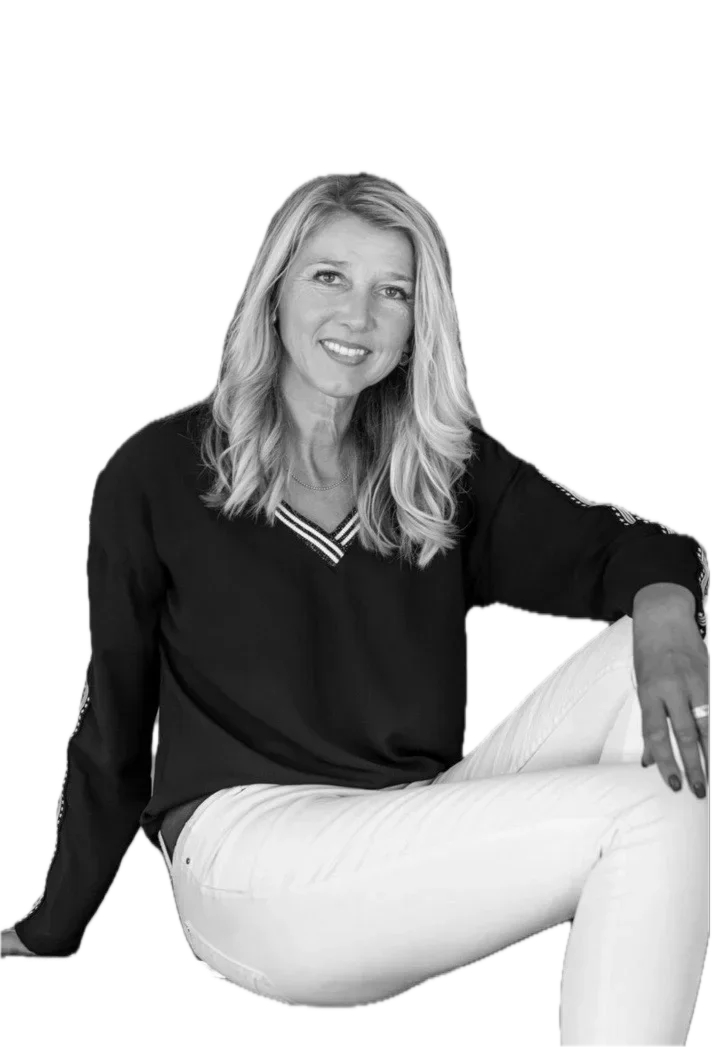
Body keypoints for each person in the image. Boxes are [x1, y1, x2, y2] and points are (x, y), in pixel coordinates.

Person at [2, 173, 709, 1042]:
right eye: (329, 277)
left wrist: (670, 621)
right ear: (276, 291)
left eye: (394, 291)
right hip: (250, 858)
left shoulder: (440, 469)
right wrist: (48, 933)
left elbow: (619, 550)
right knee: (653, 809)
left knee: (680, 686)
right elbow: (112, 724)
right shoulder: (158, 471)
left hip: (402, 837)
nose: (359, 316)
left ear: (419, 325)